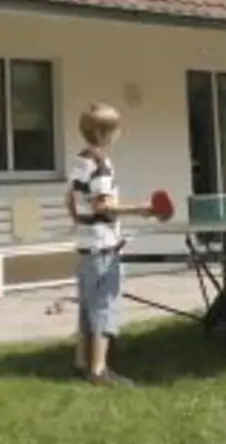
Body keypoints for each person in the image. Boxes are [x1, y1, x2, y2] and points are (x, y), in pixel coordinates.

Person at [68, 102, 160, 387]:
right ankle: (99, 371)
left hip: (84, 246)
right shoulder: (101, 165)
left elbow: (69, 200)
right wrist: (141, 209)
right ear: (102, 132)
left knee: (86, 307)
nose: (117, 134)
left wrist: (81, 222)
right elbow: (104, 206)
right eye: (114, 129)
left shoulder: (79, 161)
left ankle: (81, 362)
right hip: (103, 248)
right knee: (105, 307)